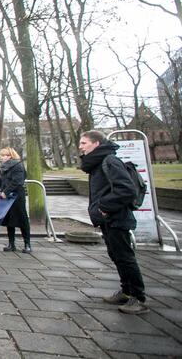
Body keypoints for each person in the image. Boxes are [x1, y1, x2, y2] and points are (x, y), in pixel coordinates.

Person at [79, 130, 147, 314]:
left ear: (96, 144)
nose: (80, 146)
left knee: (125, 257)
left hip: (116, 218)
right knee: (116, 255)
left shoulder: (109, 161)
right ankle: (126, 292)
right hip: (108, 219)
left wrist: (104, 206)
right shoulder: (98, 163)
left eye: (84, 143)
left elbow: (126, 190)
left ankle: (138, 298)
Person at [0, 147, 31, 253]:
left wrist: (5, 192)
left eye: (4, 155)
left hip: (17, 196)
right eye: (2, 155)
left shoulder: (18, 166)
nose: (2, 157)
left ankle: (27, 244)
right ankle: (11, 244)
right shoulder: (3, 167)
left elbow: (17, 182)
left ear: (10, 156)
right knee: (9, 220)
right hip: (5, 197)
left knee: (22, 219)